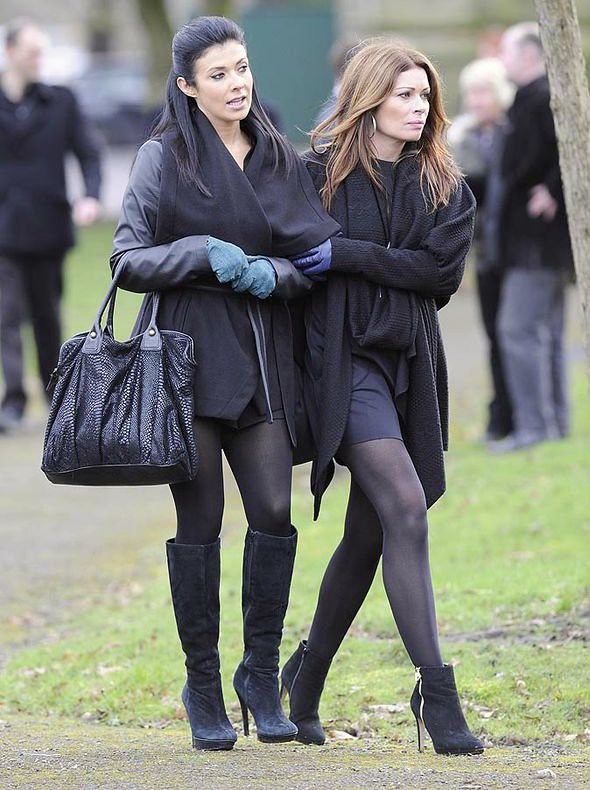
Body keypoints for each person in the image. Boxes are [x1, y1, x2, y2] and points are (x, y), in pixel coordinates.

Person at [109, 17, 339, 751]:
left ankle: (259, 673)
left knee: (274, 508)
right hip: (187, 361)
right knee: (200, 522)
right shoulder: (164, 156)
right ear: (186, 86)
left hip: (263, 358)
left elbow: (313, 254)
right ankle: (202, 685)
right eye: (219, 74)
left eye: (241, 69)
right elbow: (127, 259)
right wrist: (202, 253)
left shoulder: (277, 152)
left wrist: (277, 272)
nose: (237, 83)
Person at [279, 39, 485, 756]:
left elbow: (438, 276)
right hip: (343, 365)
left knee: (370, 533)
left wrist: (347, 256)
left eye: (424, 95)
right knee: (403, 507)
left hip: (411, 367)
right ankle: (438, 693)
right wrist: (340, 261)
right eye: (403, 94)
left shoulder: (446, 188)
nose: (417, 106)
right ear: (368, 97)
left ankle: (303, 683)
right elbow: (301, 263)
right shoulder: (315, 178)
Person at [0, 19, 102, 431]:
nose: (38, 60)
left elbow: (88, 153)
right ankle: (13, 400)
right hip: (3, 227)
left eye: (41, 52)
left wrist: (91, 196)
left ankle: (51, 392)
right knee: (6, 314)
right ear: (10, 53)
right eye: (31, 52)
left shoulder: (61, 101)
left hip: (47, 226)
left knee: (46, 315)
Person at [489, 23, 573, 452]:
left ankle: (536, 427)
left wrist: (554, 190)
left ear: (528, 55)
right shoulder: (532, 99)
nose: (502, 60)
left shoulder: (540, 99)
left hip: (535, 243)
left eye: (506, 51)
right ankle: (554, 422)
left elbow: (575, 144)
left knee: (518, 330)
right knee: (546, 333)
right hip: (540, 242)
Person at [449, 58, 515, 440]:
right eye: (471, 92)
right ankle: (500, 414)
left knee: (516, 333)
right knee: (494, 334)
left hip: (517, 251)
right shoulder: (464, 139)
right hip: (487, 253)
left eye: (483, 91)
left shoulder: (512, 133)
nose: (475, 100)